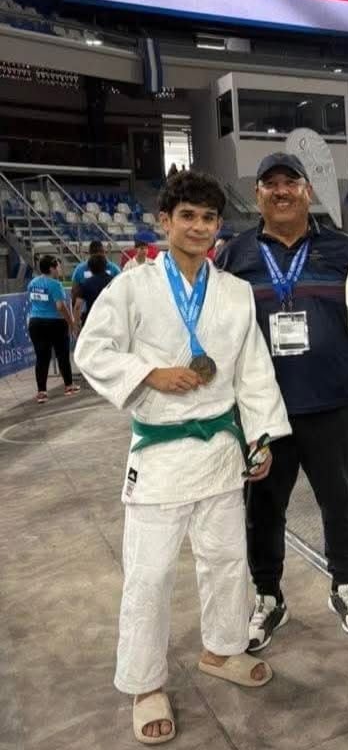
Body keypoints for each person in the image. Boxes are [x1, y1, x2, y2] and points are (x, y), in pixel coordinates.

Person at [75, 170, 291, 745]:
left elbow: (253, 370)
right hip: (160, 451)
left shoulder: (235, 292)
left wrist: (260, 437)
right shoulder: (133, 287)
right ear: (164, 221)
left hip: (220, 448)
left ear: (219, 226)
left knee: (226, 560)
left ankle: (222, 649)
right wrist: (149, 372)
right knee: (149, 574)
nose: (199, 227)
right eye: (187, 216)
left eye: (209, 218)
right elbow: (91, 350)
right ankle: (144, 683)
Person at [218, 151, 348, 646]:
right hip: (263, 412)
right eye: (270, 183)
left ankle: (345, 585)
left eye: (291, 182)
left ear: (308, 191)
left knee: (342, 503)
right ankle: (268, 597)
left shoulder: (345, 250)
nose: (281, 191)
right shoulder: (234, 255)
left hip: (333, 405)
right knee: (262, 509)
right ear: (257, 194)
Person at [28, 255, 80, 403]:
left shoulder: (32, 283)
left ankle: (42, 392)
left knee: (41, 357)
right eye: (58, 266)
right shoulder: (55, 285)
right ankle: (69, 386)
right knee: (62, 355)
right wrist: (71, 322)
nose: (60, 269)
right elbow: (60, 306)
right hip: (55, 323)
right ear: (52, 268)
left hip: (36, 323)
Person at [72, 239, 120, 323]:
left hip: (108, 314)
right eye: (95, 255)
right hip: (91, 313)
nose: (98, 257)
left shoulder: (114, 269)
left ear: (104, 253)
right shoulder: (80, 270)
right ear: (90, 254)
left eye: (100, 254)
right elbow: (74, 294)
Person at [73, 253, 113, 328]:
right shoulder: (114, 281)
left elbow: (78, 306)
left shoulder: (85, 284)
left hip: (91, 320)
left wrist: (76, 324)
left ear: (90, 268)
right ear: (106, 266)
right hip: (109, 320)